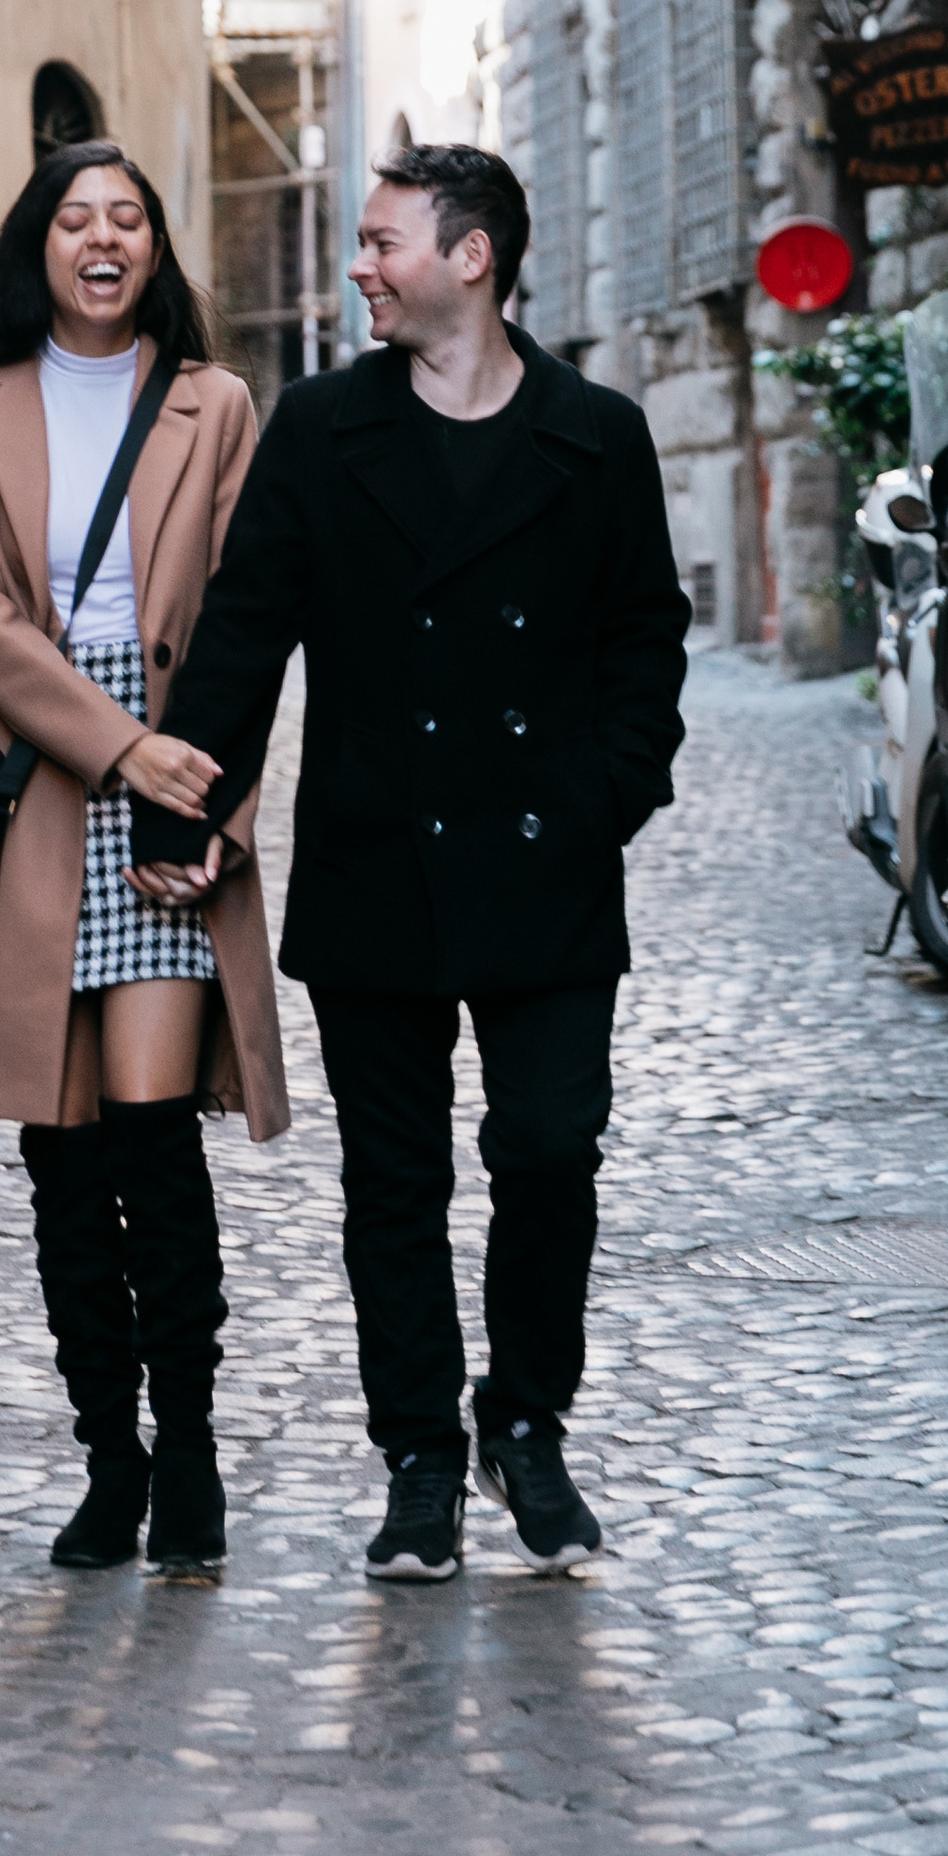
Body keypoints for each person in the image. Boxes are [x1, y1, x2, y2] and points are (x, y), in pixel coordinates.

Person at [130, 141, 688, 1583]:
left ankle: (528, 1423)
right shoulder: (321, 430)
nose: (360, 266)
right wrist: (186, 808)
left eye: (382, 243)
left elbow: (646, 640)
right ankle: (423, 1457)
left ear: (473, 257)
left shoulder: (597, 434)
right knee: (395, 1184)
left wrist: (606, 795)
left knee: (552, 1156)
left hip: (547, 863)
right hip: (380, 861)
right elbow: (246, 633)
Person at [0, 140, 288, 1575]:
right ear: (38, 247)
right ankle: (106, 1461)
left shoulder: (216, 404)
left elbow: (251, 620)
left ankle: (188, 1454)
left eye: (129, 218)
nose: (104, 239)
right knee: (57, 1151)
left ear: (156, 249)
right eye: (77, 218)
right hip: (34, 780)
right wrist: (117, 752)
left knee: (150, 1134)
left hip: (176, 778)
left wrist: (209, 806)